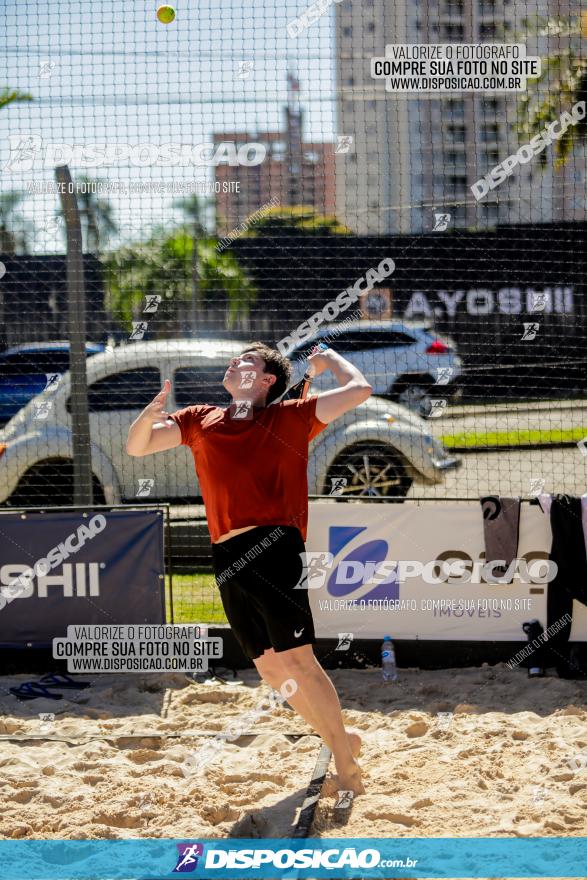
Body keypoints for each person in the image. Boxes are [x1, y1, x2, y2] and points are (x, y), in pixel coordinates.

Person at [126, 342, 372, 794]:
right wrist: (148, 414)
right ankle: (342, 738)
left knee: (298, 661)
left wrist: (327, 357)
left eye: (249, 362)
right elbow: (138, 447)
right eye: (235, 359)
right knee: (272, 671)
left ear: (266, 382)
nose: (236, 363)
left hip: (273, 544)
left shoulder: (290, 418)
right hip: (225, 552)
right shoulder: (200, 419)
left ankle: (345, 764)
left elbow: (360, 389)